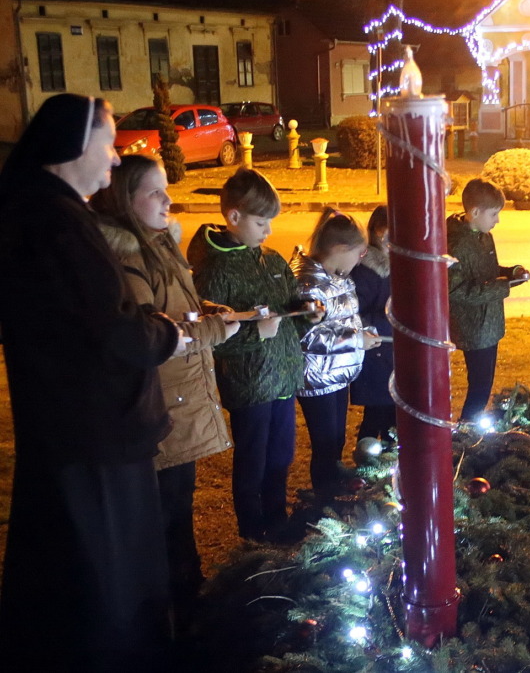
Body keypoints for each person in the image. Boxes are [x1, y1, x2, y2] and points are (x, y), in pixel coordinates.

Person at [0, 94, 181, 670]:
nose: (115, 160)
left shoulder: (44, 211)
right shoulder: (56, 223)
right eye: (108, 144)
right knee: (104, 576)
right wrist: (166, 334)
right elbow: (109, 330)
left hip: (71, 429)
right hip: (92, 435)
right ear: (71, 147)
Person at [90, 154, 239, 625]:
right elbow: (147, 334)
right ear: (124, 199)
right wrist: (215, 330)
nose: (168, 199)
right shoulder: (129, 256)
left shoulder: (158, 244)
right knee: (165, 518)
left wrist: (214, 309)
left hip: (180, 402)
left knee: (179, 507)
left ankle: (185, 598)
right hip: (161, 405)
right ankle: (175, 613)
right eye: (154, 191)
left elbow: (179, 306)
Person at [187, 168, 307, 541]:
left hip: (283, 379)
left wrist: (307, 310)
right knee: (253, 463)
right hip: (250, 386)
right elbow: (212, 338)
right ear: (234, 217)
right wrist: (256, 334)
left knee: (281, 457)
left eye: (271, 222)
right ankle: (253, 536)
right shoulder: (215, 269)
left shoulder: (270, 260)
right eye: (261, 222)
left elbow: (289, 308)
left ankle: (278, 522)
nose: (268, 231)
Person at [290, 208, 381, 497]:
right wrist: (356, 340)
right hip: (317, 378)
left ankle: (333, 496)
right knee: (326, 444)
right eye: (361, 253)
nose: (361, 260)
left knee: (336, 441)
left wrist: (362, 334)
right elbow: (308, 336)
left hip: (337, 374)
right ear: (341, 249)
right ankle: (324, 499)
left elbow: (345, 319)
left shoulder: (338, 277)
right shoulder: (309, 283)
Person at [447, 178, 529, 420]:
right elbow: (457, 290)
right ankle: (466, 432)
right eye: (494, 214)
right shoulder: (456, 244)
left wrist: (511, 272)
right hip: (474, 328)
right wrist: (501, 287)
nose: (497, 220)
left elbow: (488, 271)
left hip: (490, 324)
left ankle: (470, 431)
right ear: (474, 212)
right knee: (480, 388)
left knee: (484, 385)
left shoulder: (483, 235)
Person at [350, 205, 397, 440]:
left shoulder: (395, 265)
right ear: (381, 232)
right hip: (377, 354)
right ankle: (368, 464)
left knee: (390, 414)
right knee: (377, 415)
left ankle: (385, 464)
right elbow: (355, 315)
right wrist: (390, 317)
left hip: (390, 351)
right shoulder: (366, 271)